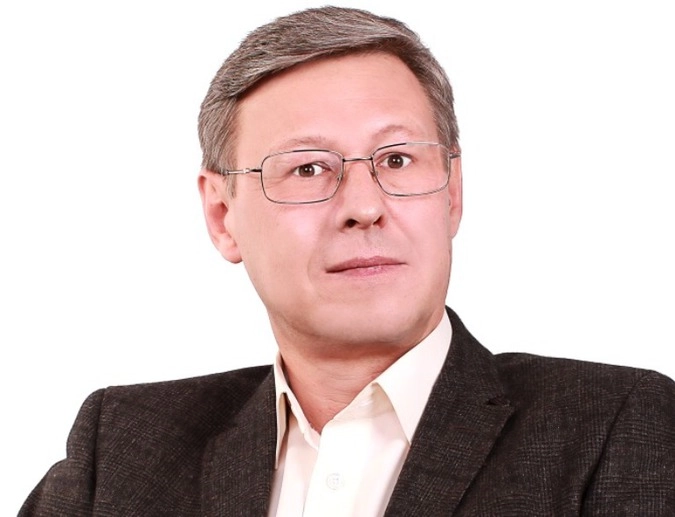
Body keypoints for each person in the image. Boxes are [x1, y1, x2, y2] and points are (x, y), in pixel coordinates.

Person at [20, 6, 675, 516]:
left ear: (452, 193)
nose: (364, 206)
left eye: (397, 159)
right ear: (222, 216)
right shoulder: (123, 450)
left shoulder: (615, 426)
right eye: (308, 168)